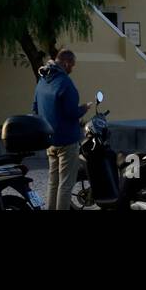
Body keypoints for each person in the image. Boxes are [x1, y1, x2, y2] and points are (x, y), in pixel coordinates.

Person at [33, 48, 89, 210]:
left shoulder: (42, 80)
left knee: (53, 182)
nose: (72, 68)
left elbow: (35, 107)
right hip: (67, 141)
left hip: (50, 140)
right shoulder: (65, 82)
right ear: (66, 63)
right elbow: (71, 112)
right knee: (65, 185)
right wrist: (84, 108)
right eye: (72, 65)